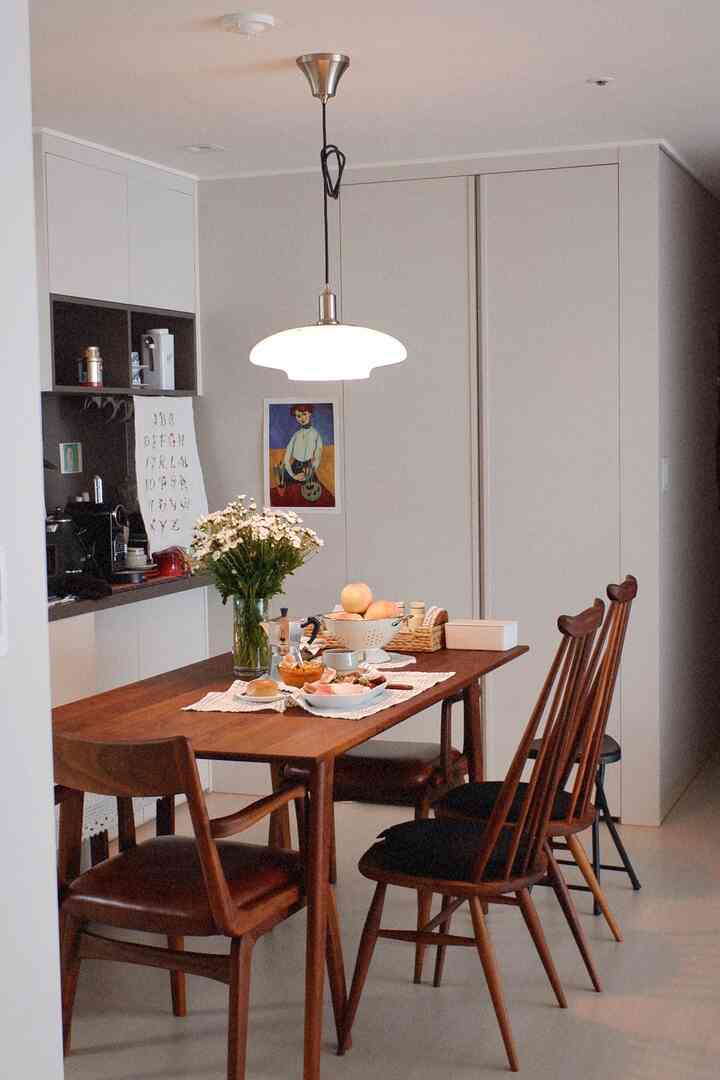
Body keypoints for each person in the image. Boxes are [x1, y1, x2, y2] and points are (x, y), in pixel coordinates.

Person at [281, 405, 323, 485]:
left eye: (304, 414)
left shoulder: (316, 435)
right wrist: (293, 475)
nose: (302, 418)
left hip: (309, 470)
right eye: (298, 416)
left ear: (310, 413)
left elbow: (317, 458)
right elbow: (286, 458)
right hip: (294, 471)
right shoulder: (295, 435)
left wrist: (309, 472)